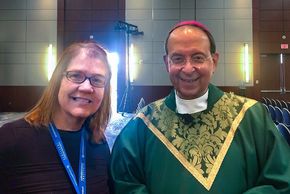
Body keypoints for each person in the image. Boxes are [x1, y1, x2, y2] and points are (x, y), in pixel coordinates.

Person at [109, 20, 290, 194]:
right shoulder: (143, 125)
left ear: (214, 61)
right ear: (167, 63)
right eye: (178, 59)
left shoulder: (251, 116)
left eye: (198, 58)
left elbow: (280, 181)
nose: (188, 69)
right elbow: (125, 183)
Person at [0, 41, 112, 194]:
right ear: (57, 81)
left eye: (97, 80)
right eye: (76, 75)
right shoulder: (11, 139)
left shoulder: (98, 143)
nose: (86, 87)